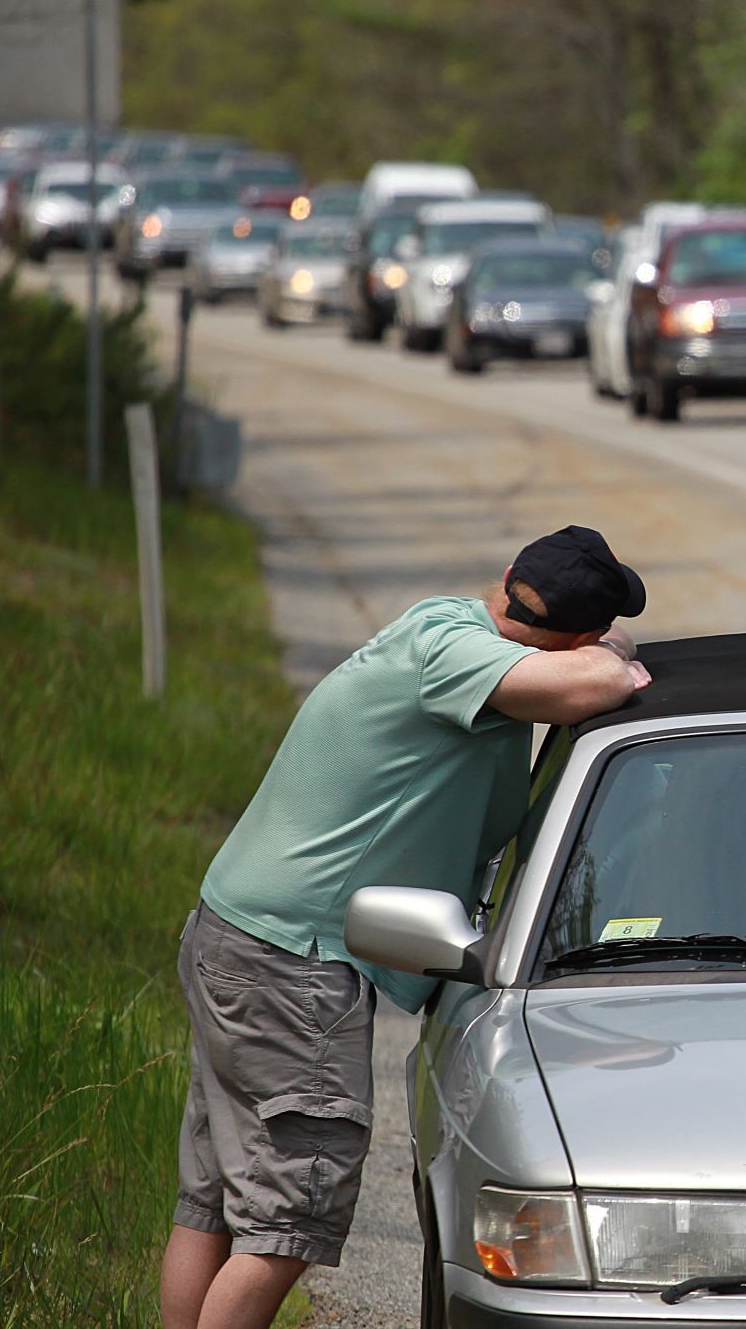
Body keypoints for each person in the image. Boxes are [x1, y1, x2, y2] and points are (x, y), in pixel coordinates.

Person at [160, 526, 652, 1329]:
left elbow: (576, 669)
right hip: (292, 960)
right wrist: (607, 660)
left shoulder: (448, 625)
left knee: (213, 1205)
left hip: (239, 937)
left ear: (506, 579)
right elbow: (588, 684)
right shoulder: (459, 659)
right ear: (572, 639)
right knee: (288, 1216)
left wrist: (595, 651)